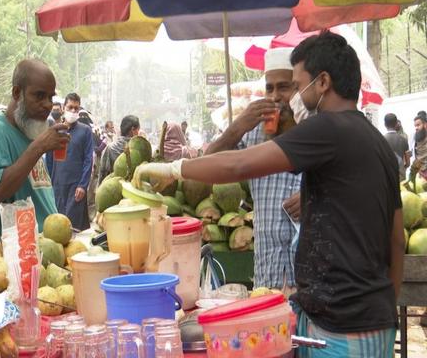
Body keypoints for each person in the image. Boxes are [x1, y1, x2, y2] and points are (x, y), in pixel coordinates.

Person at [134, 32, 403, 357]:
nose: (291, 99)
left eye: (298, 85)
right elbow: (396, 239)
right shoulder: (378, 143)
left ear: (322, 83)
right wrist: (384, 307)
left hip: (343, 329)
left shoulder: (328, 129)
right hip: (365, 320)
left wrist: (174, 169)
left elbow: (239, 165)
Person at [204, 47, 301, 292]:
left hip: (308, 276)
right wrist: (238, 126)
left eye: (284, 87)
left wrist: (316, 196)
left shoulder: (315, 127)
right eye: (270, 88)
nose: (276, 96)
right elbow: (209, 164)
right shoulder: (255, 131)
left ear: (299, 88)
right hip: (267, 274)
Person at [0, 59, 68, 262]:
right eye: (39, 95)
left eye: (50, 97)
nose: (47, 104)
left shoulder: (31, 133)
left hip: (35, 263)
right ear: (16, 93)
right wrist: (39, 147)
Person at [50, 93, 94, 230]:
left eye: (76, 108)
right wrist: (49, 185)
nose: (73, 111)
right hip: (58, 185)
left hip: (76, 186)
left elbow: (88, 159)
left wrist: (83, 185)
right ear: (63, 108)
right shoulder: (56, 131)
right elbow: (50, 160)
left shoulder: (85, 131)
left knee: (74, 227)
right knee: (57, 227)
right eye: (70, 107)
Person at [98, 115, 139, 183]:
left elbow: (102, 174)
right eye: (138, 130)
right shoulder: (138, 151)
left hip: (112, 190)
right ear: (133, 130)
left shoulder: (110, 148)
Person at [383, 113, 410, 181]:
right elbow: (408, 163)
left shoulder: (381, 140)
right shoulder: (403, 139)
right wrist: (403, 168)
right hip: (400, 176)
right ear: (396, 124)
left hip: (387, 177)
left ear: (385, 125)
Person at [410, 114, 427, 185]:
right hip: (419, 173)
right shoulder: (415, 137)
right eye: (415, 126)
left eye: (418, 125)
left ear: (425, 124)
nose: (416, 128)